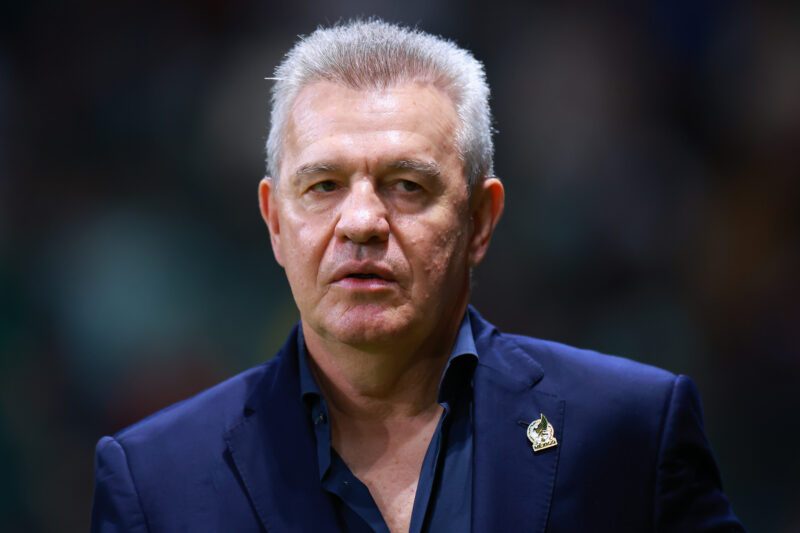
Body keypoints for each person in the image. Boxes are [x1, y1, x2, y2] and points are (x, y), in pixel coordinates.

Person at [91, 19, 743, 532]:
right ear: (275, 222)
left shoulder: (630, 432)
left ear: (480, 220)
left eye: (407, 184)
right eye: (323, 185)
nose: (361, 222)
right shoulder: (154, 481)